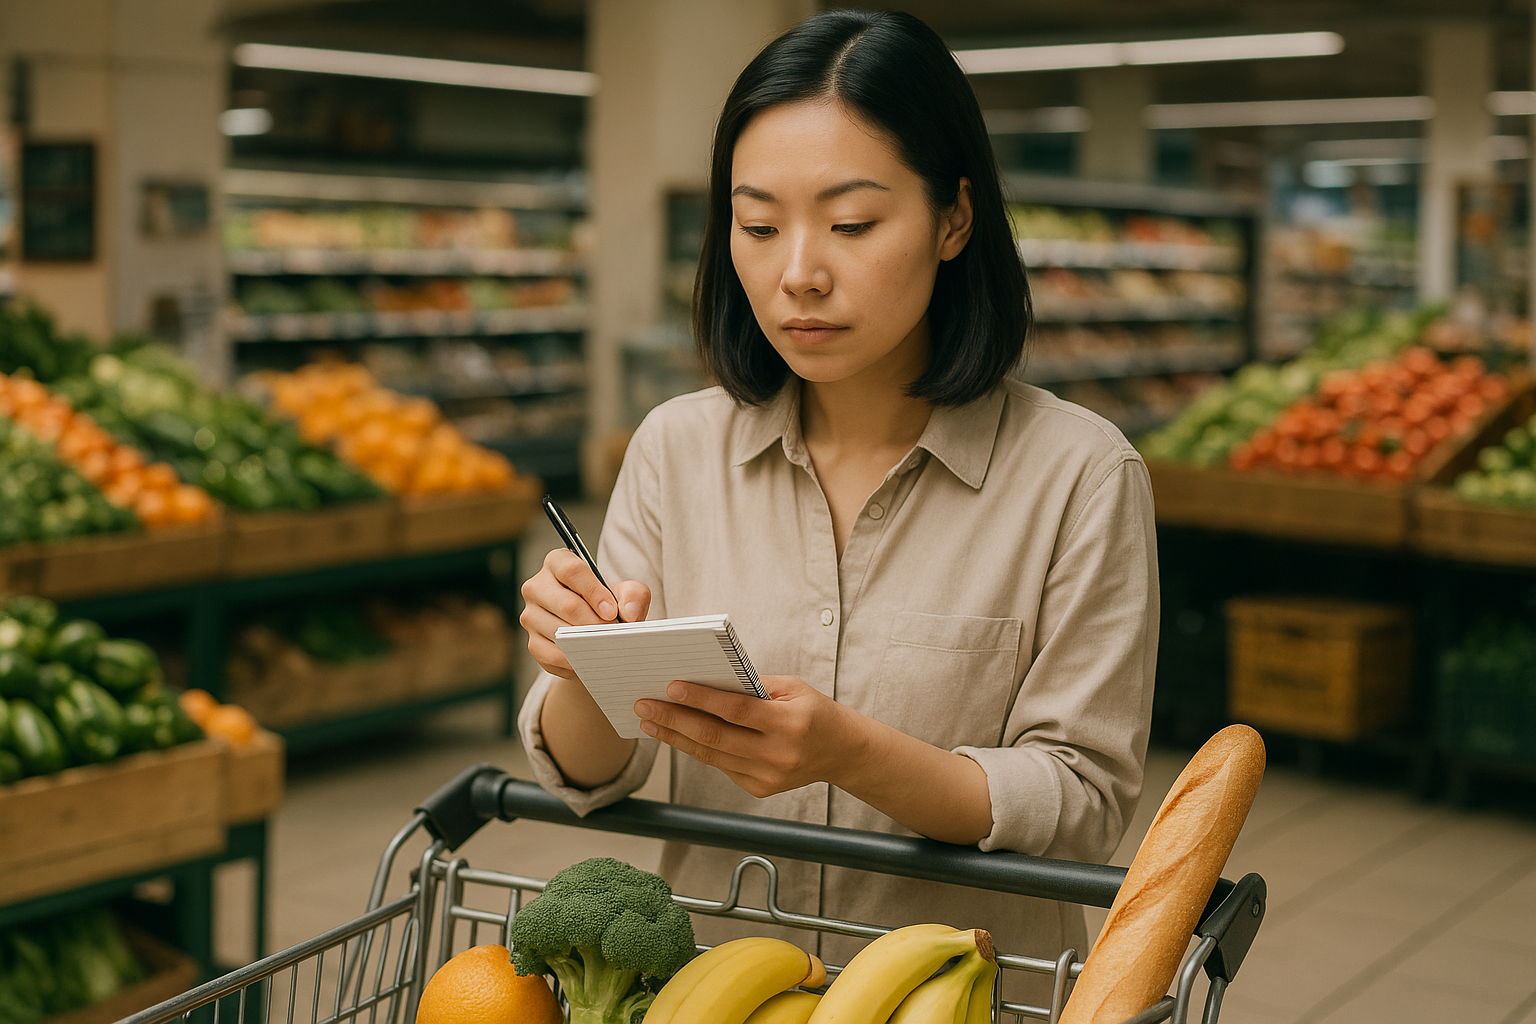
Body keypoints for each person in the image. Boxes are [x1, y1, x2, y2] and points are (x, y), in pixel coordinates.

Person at [518, 8, 1157, 1001]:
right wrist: (578, 667)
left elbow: (1082, 800)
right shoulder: (677, 450)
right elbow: (593, 767)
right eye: (759, 225)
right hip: (708, 996)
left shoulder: (1079, 477)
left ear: (954, 218)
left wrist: (853, 752)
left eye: (852, 224)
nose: (797, 273)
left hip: (959, 1001)